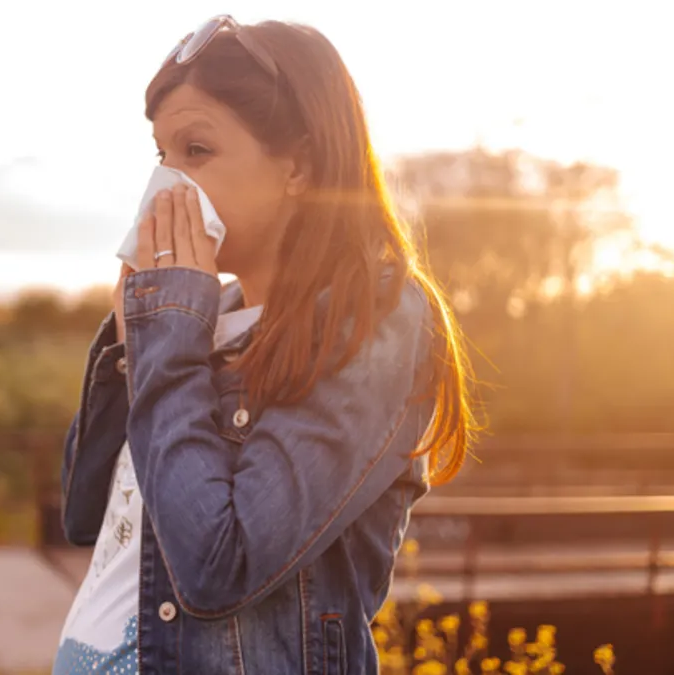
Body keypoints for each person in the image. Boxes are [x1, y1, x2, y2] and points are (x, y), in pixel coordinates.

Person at [54, 15, 478, 675]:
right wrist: (132, 346)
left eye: (197, 151)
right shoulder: (205, 319)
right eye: (161, 156)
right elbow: (83, 514)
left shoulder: (376, 320)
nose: (167, 186)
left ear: (300, 166)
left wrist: (167, 337)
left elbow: (218, 566)